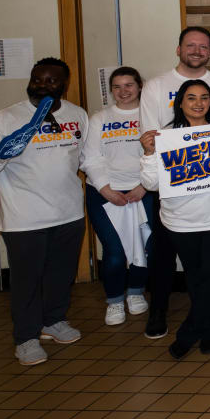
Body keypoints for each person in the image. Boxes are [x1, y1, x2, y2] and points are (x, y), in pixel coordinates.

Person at [0, 57, 88, 366]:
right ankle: (26, 337)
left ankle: (53, 321)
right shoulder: (4, 119)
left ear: (64, 85)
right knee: (27, 280)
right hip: (23, 217)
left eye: (51, 80)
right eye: (38, 78)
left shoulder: (77, 115)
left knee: (61, 275)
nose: (43, 84)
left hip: (69, 212)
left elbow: (85, 157)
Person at [138, 80, 210, 360]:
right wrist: (149, 154)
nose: (198, 103)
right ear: (180, 103)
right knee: (197, 279)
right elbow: (151, 184)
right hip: (180, 221)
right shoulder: (166, 136)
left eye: (203, 97)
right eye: (191, 98)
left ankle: (189, 331)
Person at [81, 66, 149, 327]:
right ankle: (114, 300)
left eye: (129, 85)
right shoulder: (99, 118)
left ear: (139, 85)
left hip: (143, 190)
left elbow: (160, 153)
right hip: (105, 193)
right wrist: (105, 189)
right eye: (117, 87)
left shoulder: (150, 114)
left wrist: (144, 186)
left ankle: (135, 292)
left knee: (145, 245)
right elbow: (90, 158)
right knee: (114, 251)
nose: (123, 92)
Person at [139, 26, 210, 131]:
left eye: (203, 47)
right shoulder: (154, 86)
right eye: (190, 46)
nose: (196, 51)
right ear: (178, 50)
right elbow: (150, 134)